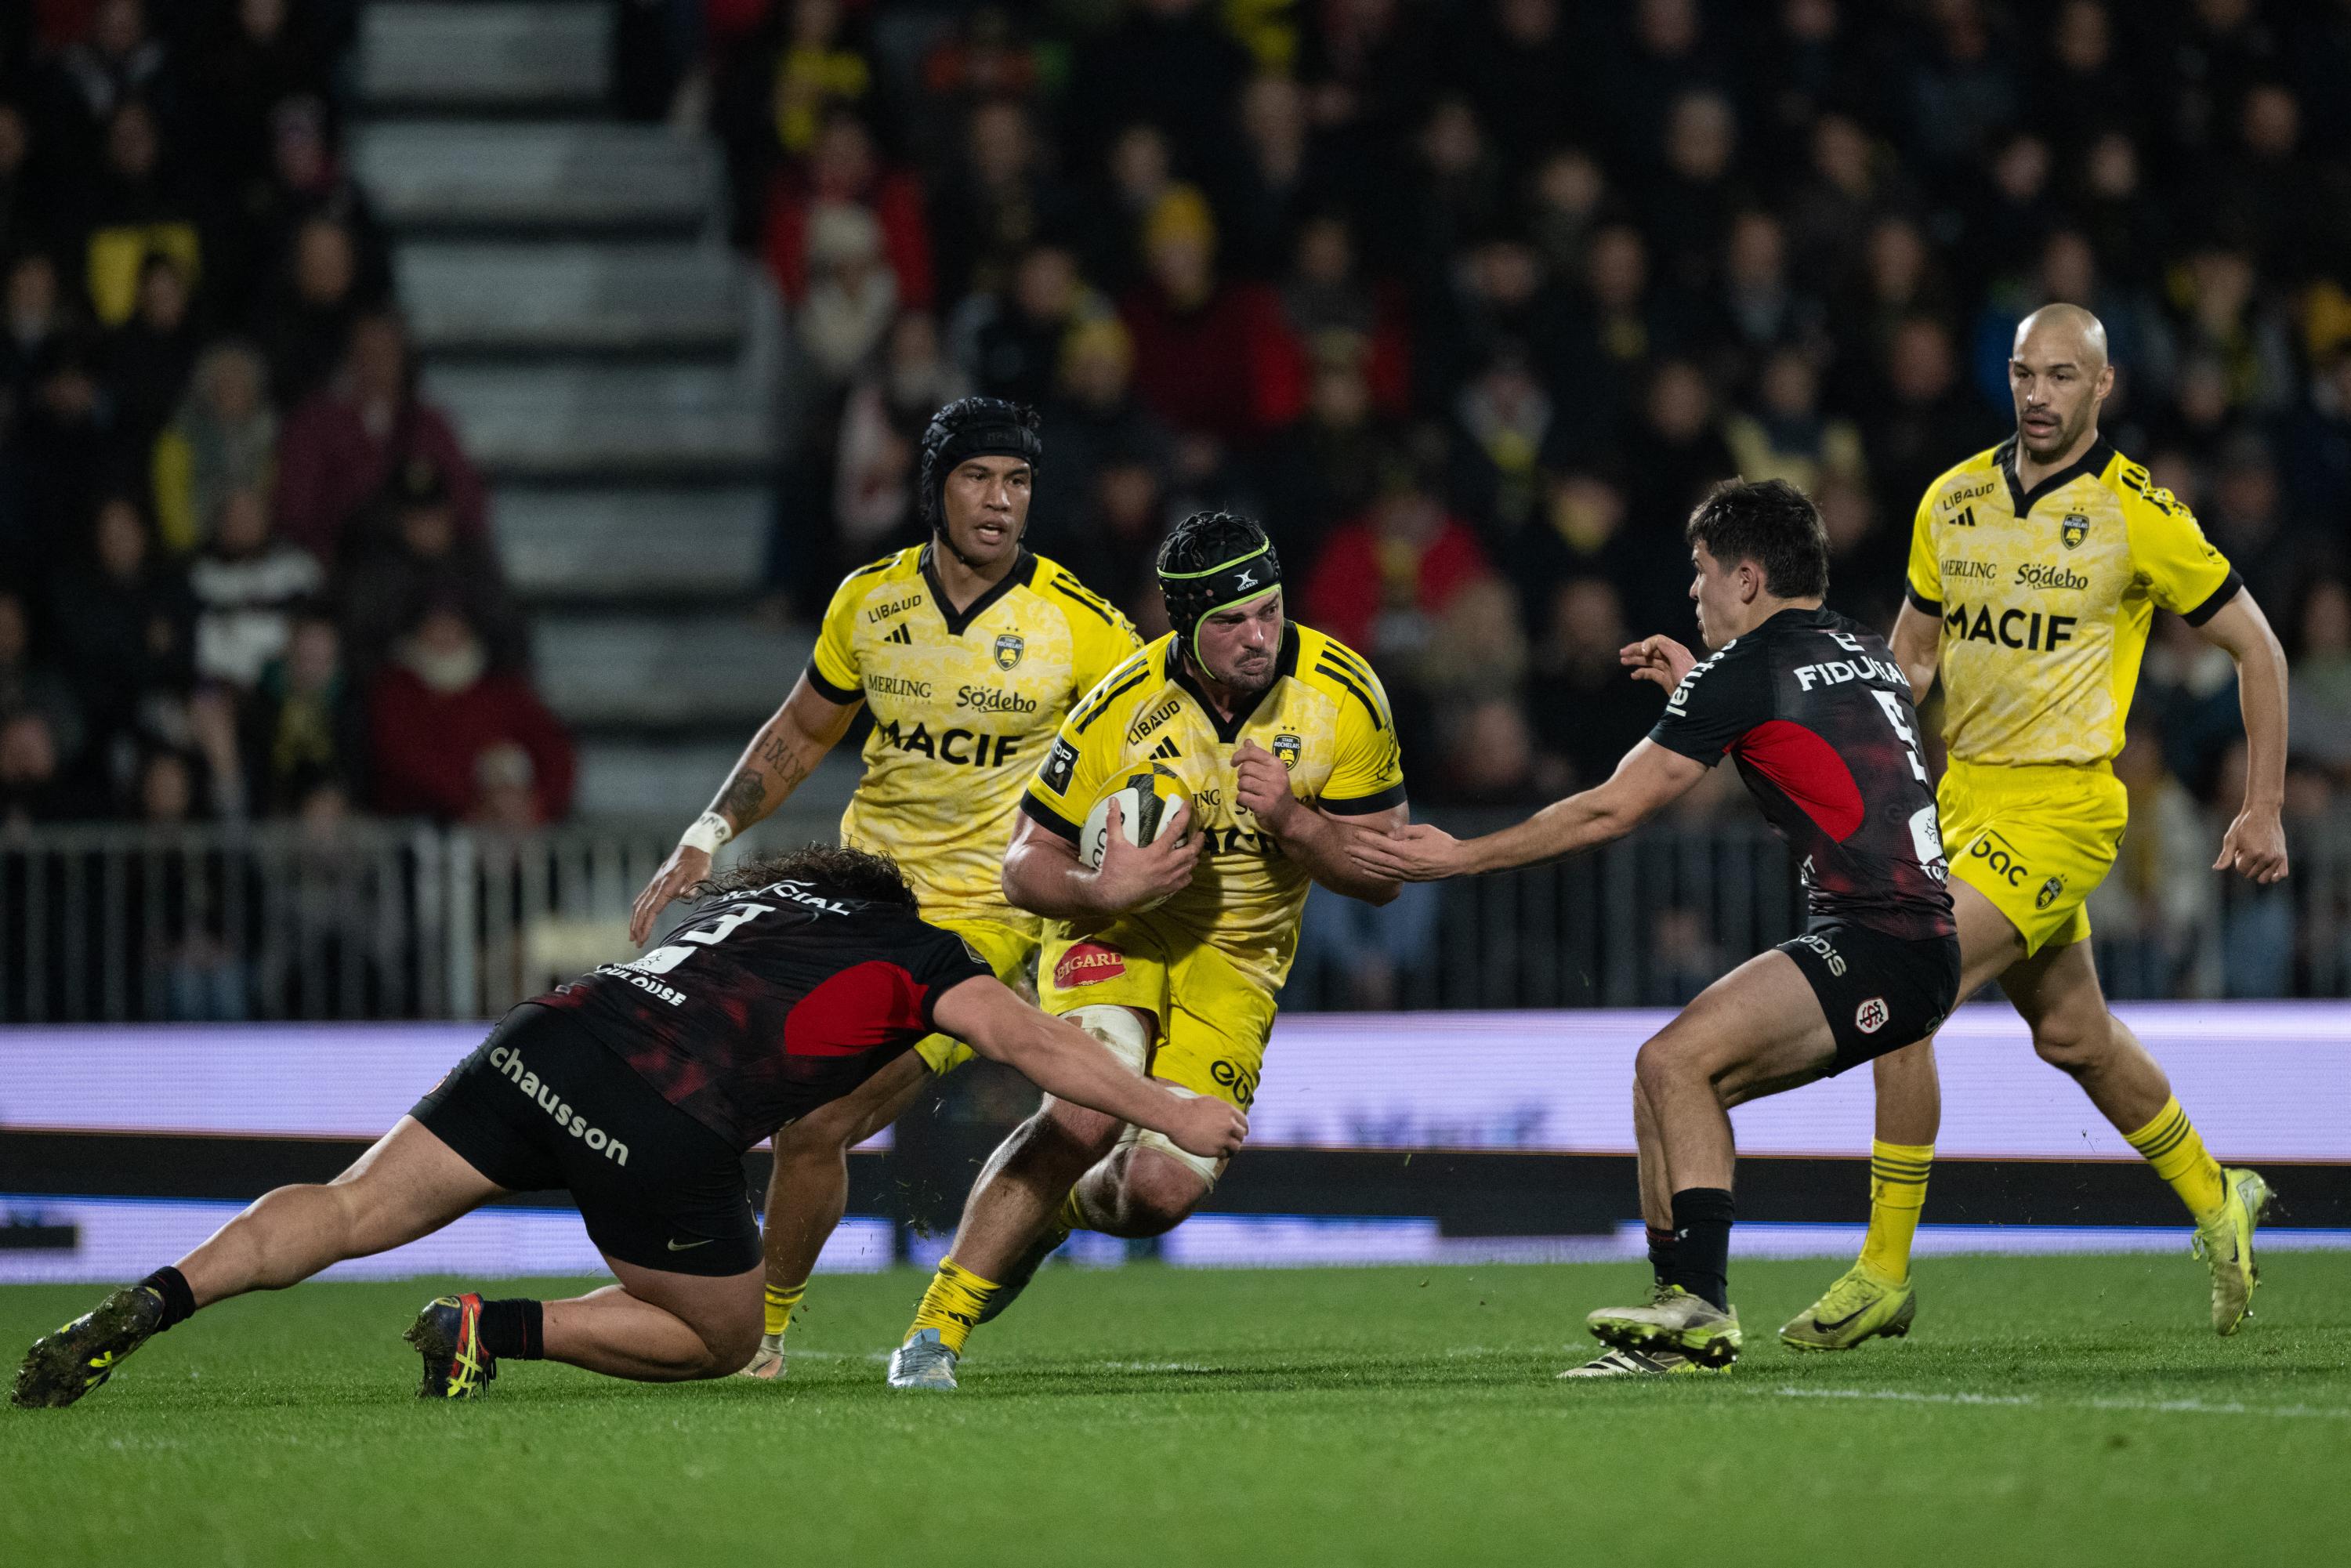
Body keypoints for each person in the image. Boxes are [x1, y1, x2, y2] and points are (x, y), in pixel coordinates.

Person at [13, 845, 1244, 1409]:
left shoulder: (785, 899)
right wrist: (1174, 1107)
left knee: (344, 1208)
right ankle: (492, 1327)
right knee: (720, 1335)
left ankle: (150, 1303)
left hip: (550, 1034)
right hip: (661, 1112)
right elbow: (1038, 1045)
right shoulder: (927, 954)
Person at [1352, 479, 1958, 1377]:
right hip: (1910, 937)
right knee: (1661, 1087)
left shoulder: (1746, 672)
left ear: (1747, 579)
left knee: (1674, 1061)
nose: (1694, 592)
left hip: (1884, 941)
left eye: (1703, 572)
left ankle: (1700, 1304)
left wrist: (1462, 857)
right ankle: (1675, 1329)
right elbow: (1820, 766)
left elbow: (1608, 812)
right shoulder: (1859, 647)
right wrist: (1704, 696)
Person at [1780, 303, 2290, 1349]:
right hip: (1963, 795)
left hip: (2063, 807)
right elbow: (1912, 655)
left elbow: (2261, 651)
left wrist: (2264, 804)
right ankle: (2216, 1193)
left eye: (2063, 376)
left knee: (1900, 978)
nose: (2040, 394)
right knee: (2075, 1036)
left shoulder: (2137, 511)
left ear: (2103, 388)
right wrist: (1864, 771)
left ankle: (1882, 1270)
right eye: (2024, 374)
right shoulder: (1952, 499)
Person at [628, 397, 1142, 1380]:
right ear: (934, 491)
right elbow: (804, 730)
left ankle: (760, 1337)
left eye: (1019, 482)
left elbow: (1147, 749)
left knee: (819, 1118)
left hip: (981, 923)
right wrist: (710, 830)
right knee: (728, 1092)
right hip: (856, 900)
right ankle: (707, 1294)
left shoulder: (1084, 627)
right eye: (979, 478)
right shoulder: (870, 601)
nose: (1000, 502)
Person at [886, 508, 1409, 1391]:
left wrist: (1290, 819)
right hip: (1113, 933)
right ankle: (935, 1333)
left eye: (1271, 612)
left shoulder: (1342, 694)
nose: (1259, 637)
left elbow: (1383, 873)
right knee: (1086, 1114)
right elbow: (1023, 866)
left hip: (1239, 963)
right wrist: (1102, 891)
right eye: (1232, 623)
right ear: (1184, 624)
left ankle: (1051, 1212)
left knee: (1158, 1196)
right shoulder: (1119, 706)